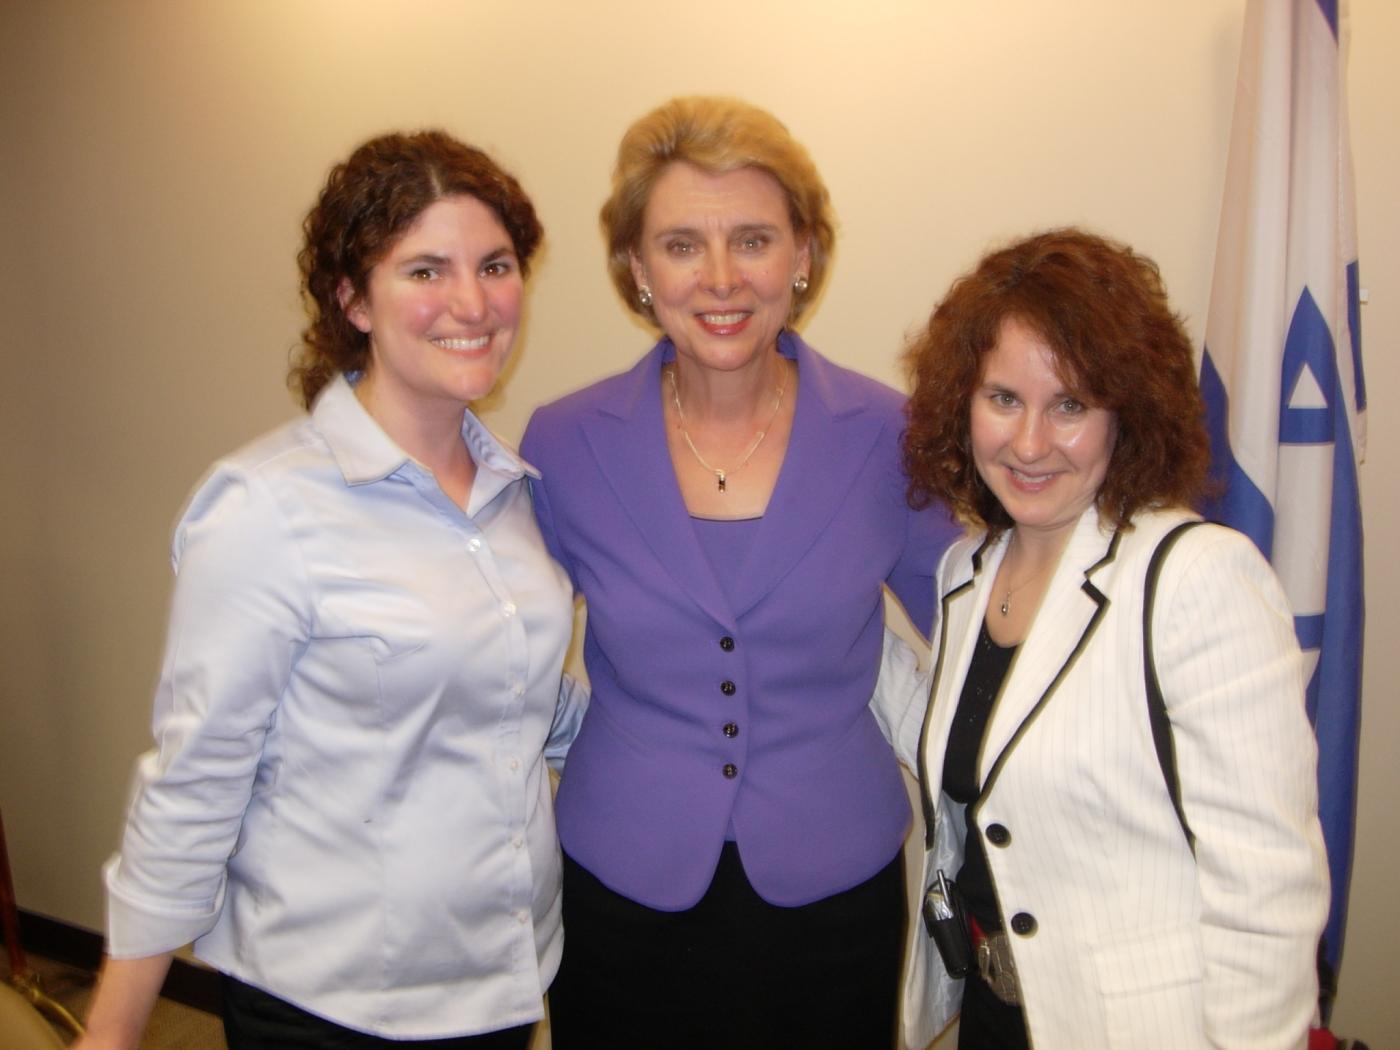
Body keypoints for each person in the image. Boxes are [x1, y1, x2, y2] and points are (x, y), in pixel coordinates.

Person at [76, 130, 586, 1050]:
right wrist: (112, 1033)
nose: (471, 302)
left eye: (495, 264)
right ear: (352, 298)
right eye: (424, 270)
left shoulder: (514, 495)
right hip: (336, 1003)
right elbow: (196, 782)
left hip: (502, 982)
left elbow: (521, 700)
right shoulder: (268, 507)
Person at [519, 96, 959, 1048]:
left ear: (803, 256)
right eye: (681, 245)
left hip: (831, 890)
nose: (720, 278)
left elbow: (979, 626)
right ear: (636, 269)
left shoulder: (890, 437)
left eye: (753, 239)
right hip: (621, 883)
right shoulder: (563, 441)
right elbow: (497, 644)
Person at [880, 228, 1329, 1049]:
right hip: (997, 1018)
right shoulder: (965, 573)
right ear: (961, 403)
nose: (1029, 444)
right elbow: (986, 757)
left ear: (1129, 411)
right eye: (1003, 399)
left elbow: (1268, 888)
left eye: (1071, 406)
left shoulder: (1197, 578)